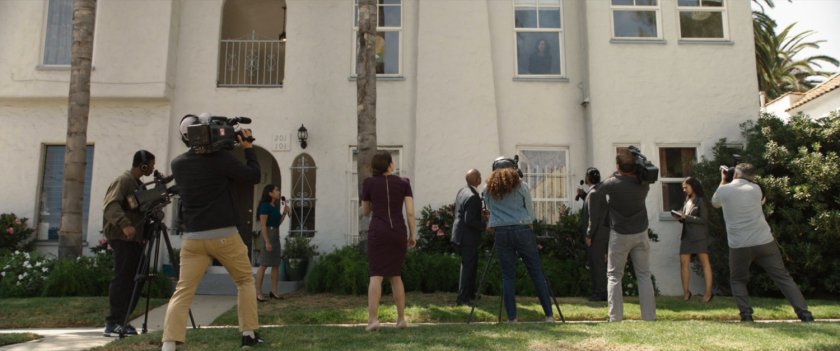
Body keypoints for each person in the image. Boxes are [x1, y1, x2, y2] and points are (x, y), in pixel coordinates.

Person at [160, 114, 263, 351]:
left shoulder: (178, 164)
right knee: (245, 281)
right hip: (225, 235)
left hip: (193, 239)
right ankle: (248, 335)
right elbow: (253, 176)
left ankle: (168, 344)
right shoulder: (221, 159)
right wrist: (247, 147)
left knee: (183, 291)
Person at [711, 163, 814, 322]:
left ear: (736, 174)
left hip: (739, 244)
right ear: (753, 176)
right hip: (764, 240)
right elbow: (761, 202)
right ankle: (804, 313)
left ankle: (746, 315)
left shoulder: (724, 190)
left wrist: (724, 179)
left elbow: (715, 203)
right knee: (782, 277)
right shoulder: (756, 189)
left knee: (738, 279)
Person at [483, 158, 554, 323]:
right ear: (513, 169)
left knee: (508, 276)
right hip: (522, 229)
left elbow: (489, 210)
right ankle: (549, 316)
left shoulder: (487, 189)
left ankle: (512, 318)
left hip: (501, 231)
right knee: (536, 272)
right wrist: (529, 225)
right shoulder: (522, 186)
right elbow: (529, 210)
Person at [588, 149, 655, 322]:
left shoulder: (612, 183)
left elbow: (596, 191)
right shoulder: (644, 183)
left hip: (620, 234)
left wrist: (614, 175)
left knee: (614, 276)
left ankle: (615, 317)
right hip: (641, 233)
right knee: (644, 275)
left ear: (618, 165)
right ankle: (649, 317)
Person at [360, 151, 417, 331]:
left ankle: (373, 320)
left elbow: (365, 211)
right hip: (398, 231)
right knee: (396, 276)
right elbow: (410, 212)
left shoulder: (369, 183)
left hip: (378, 231)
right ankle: (401, 319)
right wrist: (412, 235)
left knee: (376, 276)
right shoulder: (404, 183)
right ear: (390, 165)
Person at [102, 150, 156, 337]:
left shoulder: (139, 185)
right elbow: (111, 205)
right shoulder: (124, 181)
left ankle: (123, 321)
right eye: (150, 164)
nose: (152, 168)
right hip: (122, 238)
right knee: (123, 279)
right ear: (142, 165)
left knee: (137, 279)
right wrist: (125, 225)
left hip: (135, 240)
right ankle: (113, 323)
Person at [671, 176, 714, 303]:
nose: (684, 189)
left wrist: (687, 217)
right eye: (683, 187)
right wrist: (680, 217)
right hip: (687, 237)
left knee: (704, 263)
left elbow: (704, 220)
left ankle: (708, 293)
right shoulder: (687, 200)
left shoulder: (701, 200)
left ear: (693, 186)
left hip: (699, 237)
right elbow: (686, 218)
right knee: (683, 263)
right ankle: (686, 293)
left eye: (686, 187)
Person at [451, 169, 486, 307]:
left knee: (470, 266)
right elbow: (470, 220)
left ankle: (470, 294)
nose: (481, 178)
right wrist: (485, 226)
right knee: (467, 267)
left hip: (460, 234)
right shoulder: (473, 197)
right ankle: (463, 299)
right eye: (480, 176)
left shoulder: (463, 191)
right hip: (467, 237)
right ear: (477, 180)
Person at [254, 184, 289, 302]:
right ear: (270, 193)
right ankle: (257, 293)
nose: (279, 192)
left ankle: (274, 292)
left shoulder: (274, 206)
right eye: (276, 190)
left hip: (275, 236)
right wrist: (266, 241)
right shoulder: (264, 206)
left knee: (275, 264)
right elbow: (263, 225)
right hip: (267, 236)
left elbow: (277, 223)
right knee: (263, 265)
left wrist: (284, 213)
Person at [579, 167, 608, 302]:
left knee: (597, 265)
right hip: (599, 236)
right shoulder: (594, 192)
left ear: (588, 178)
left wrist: (589, 235)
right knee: (596, 264)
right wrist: (583, 195)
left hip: (597, 237)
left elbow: (594, 217)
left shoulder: (594, 193)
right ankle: (598, 292)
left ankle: (600, 293)